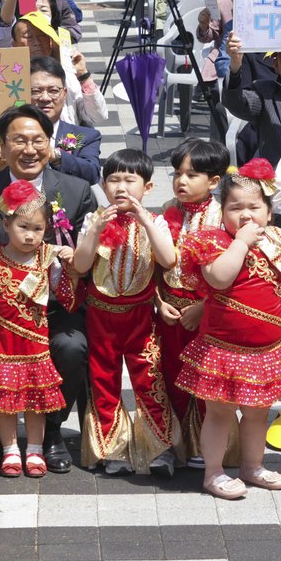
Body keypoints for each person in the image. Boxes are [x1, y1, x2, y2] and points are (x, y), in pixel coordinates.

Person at [0, 105, 98, 473]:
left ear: (50, 143)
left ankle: (49, 433)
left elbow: (96, 252)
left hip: (54, 307)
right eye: (19, 140)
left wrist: (76, 259)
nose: (29, 149)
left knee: (71, 345)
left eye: (38, 140)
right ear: (2, 145)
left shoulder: (77, 191)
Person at [176, 159, 281, 499]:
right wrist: (242, 242)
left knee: (257, 412)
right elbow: (220, 278)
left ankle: (253, 466)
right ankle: (214, 472)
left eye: (254, 207)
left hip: (266, 348)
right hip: (223, 348)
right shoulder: (213, 241)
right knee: (219, 412)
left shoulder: (278, 238)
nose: (246, 215)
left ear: (269, 211)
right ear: (223, 212)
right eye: (236, 208)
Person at [0, 179, 77, 479]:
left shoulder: (49, 259)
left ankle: (34, 448)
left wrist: (71, 270)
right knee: (4, 401)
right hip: (2, 344)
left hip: (36, 347)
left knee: (35, 401)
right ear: (6, 224)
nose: (30, 235)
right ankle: (9, 450)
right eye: (23, 227)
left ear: (47, 228)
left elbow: (67, 297)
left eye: (37, 229)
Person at [70, 149, 179, 476]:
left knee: (149, 377)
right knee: (104, 380)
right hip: (101, 316)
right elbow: (81, 264)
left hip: (141, 317)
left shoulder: (156, 221)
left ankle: (159, 447)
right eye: (113, 180)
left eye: (129, 180)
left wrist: (145, 219)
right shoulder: (94, 219)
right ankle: (111, 447)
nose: (121, 187)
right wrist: (93, 232)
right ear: (103, 186)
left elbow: (169, 259)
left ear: (147, 188)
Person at [155, 139, 228, 465]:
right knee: (169, 376)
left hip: (207, 313)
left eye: (192, 174)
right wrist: (158, 302)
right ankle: (171, 443)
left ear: (213, 181)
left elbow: (232, 273)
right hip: (170, 311)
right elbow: (153, 265)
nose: (181, 181)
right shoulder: (167, 212)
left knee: (204, 378)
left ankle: (203, 445)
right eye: (177, 173)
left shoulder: (224, 216)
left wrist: (204, 309)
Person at [224, 34, 281, 167]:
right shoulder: (265, 92)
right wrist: (235, 64)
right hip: (279, 177)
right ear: (275, 64)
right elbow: (236, 104)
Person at [29, 57, 101, 184]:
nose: (45, 98)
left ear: (65, 94)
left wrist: (57, 156)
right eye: (36, 91)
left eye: (53, 91)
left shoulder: (86, 136)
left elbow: (92, 174)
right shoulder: (4, 134)